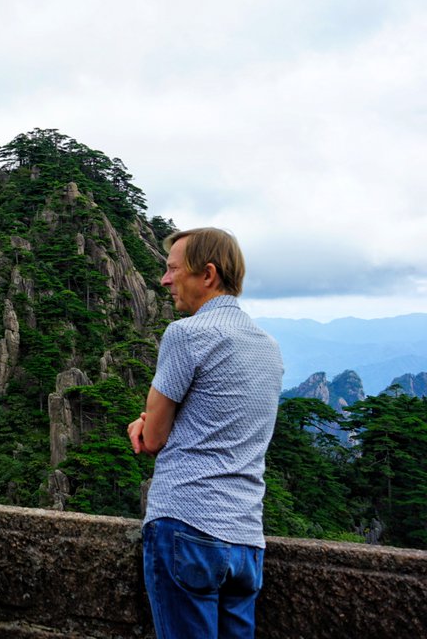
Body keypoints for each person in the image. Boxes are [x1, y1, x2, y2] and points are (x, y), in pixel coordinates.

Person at [127, 228, 283, 639]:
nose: (164, 280)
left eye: (172, 269)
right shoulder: (268, 346)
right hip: (247, 538)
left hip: (187, 525)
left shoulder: (186, 334)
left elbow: (152, 440)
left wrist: (142, 424)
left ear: (208, 274)